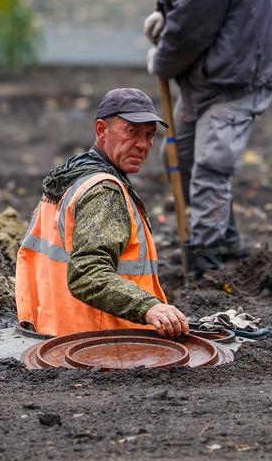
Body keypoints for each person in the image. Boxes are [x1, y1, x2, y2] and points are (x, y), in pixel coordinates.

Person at [126, 0, 272, 277]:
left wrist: (162, 59)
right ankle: (225, 239)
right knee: (180, 157)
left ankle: (207, 261)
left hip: (237, 76)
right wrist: (167, 14)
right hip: (213, 71)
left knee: (211, 165)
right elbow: (186, 2)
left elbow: (187, 37)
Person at [15, 87, 189, 339]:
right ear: (101, 130)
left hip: (53, 333)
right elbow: (88, 275)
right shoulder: (103, 190)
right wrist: (150, 307)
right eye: (132, 132)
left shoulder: (72, 178)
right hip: (100, 341)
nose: (143, 145)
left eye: (149, 135)